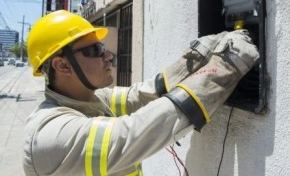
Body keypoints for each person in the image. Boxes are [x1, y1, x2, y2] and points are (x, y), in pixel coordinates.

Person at [23, 10, 259, 176]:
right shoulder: (50, 134)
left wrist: (196, 58)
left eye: (103, 47)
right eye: (94, 50)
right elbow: (133, 134)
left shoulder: (90, 100)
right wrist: (226, 65)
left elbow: (143, 95)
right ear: (62, 66)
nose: (108, 56)